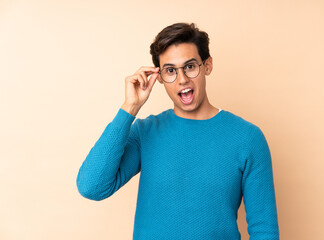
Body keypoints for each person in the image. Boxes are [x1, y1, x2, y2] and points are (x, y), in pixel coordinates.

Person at [76, 22, 280, 240]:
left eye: (190, 66)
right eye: (170, 70)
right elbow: (92, 187)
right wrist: (130, 108)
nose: (182, 79)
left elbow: (264, 230)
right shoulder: (145, 133)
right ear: (160, 77)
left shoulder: (247, 138)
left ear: (207, 66)